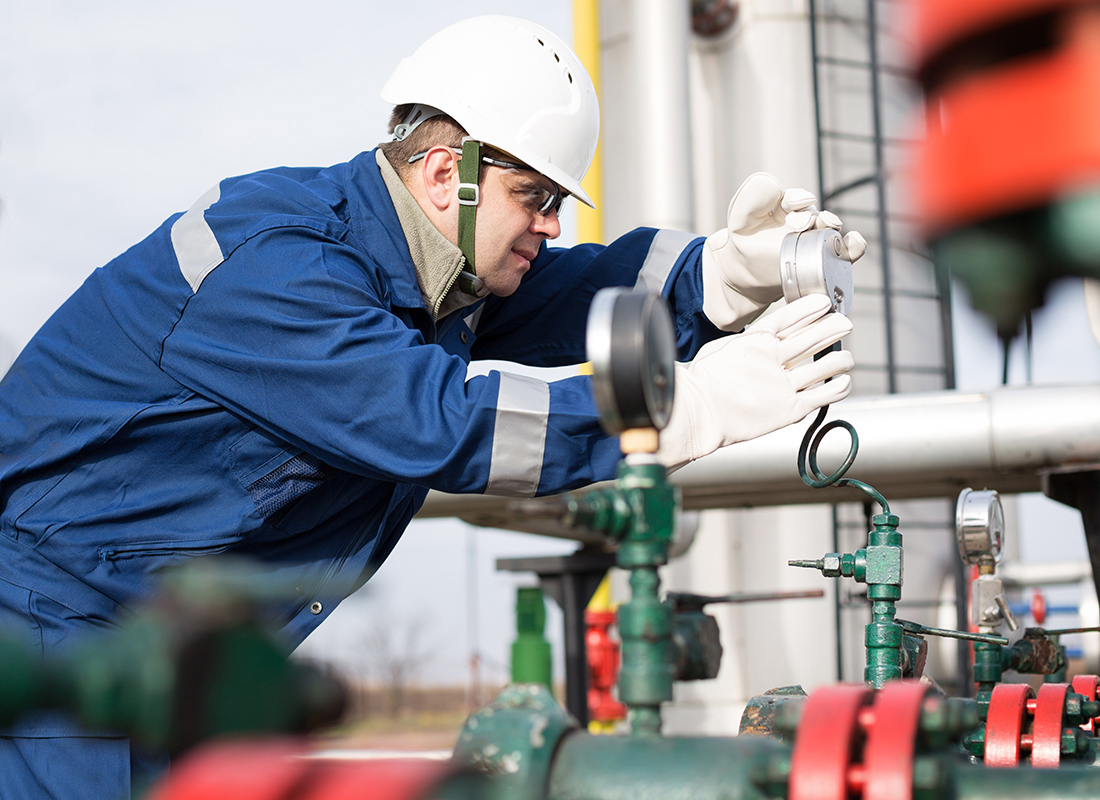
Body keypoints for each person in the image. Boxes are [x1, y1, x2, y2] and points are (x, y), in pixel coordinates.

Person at [0, 14, 864, 798]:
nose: (551, 225)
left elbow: (578, 290)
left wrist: (718, 274)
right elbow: (443, 421)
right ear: (450, 173)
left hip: (166, 651)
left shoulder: (425, 274)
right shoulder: (279, 268)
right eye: (536, 197)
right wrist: (674, 409)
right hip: (53, 641)